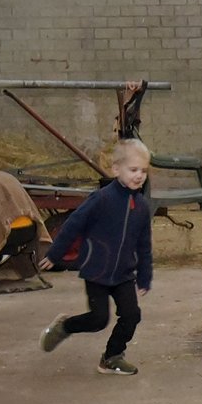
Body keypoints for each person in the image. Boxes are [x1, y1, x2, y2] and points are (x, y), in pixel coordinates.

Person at [38, 138, 153, 376]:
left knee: (132, 315)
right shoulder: (101, 199)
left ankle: (111, 357)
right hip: (97, 271)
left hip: (123, 274)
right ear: (116, 170)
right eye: (133, 170)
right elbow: (72, 225)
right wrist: (55, 253)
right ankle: (65, 326)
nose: (139, 175)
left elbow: (144, 244)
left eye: (143, 170)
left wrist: (145, 276)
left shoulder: (141, 207)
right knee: (99, 319)